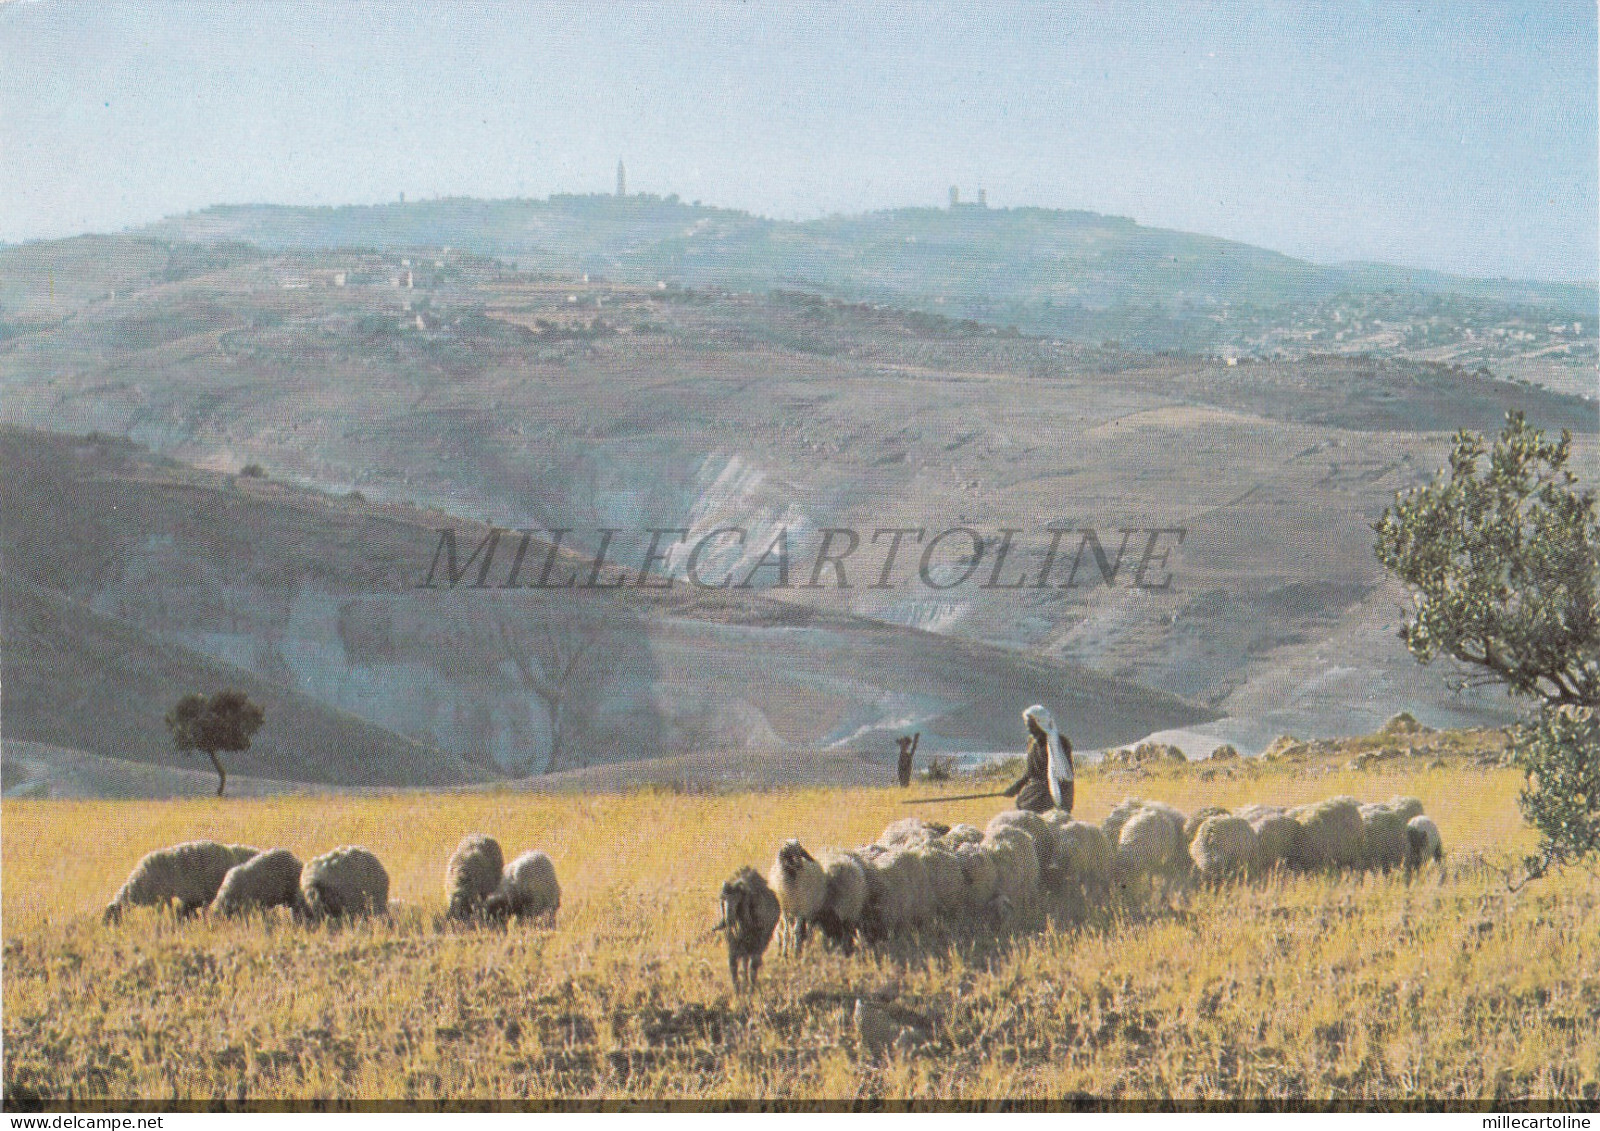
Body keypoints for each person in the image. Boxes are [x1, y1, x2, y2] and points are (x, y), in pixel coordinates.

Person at [1002, 705, 1073, 814]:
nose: (1029, 729)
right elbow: (1030, 773)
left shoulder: (1059, 743)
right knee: (1021, 803)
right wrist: (1015, 787)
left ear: (1041, 724)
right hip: (1037, 790)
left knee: (1029, 807)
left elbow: (1063, 776)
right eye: (1028, 725)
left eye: (1031, 725)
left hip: (1057, 791)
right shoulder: (1033, 743)